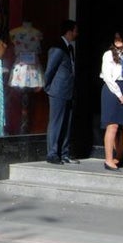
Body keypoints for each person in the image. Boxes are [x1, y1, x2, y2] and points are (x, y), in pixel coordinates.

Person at [100, 31, 123, 171]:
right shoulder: (108, 55)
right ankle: (109, 159)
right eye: (116, 39)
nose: (118, 41)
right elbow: (108, 77)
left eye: (120, 39)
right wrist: (119, 95)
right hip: (112, 90)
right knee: (113, 125)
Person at [43, 19, 78, 165]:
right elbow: (50, 69)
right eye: (75, 30)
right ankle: (52, 153)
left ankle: (64, 153)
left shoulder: (69, 48)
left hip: (68, 91)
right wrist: (48, 86)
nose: (77, 33)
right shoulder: (58, 48)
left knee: (66, 123)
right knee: (56, 122)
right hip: (57, 90)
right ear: (69, 32)